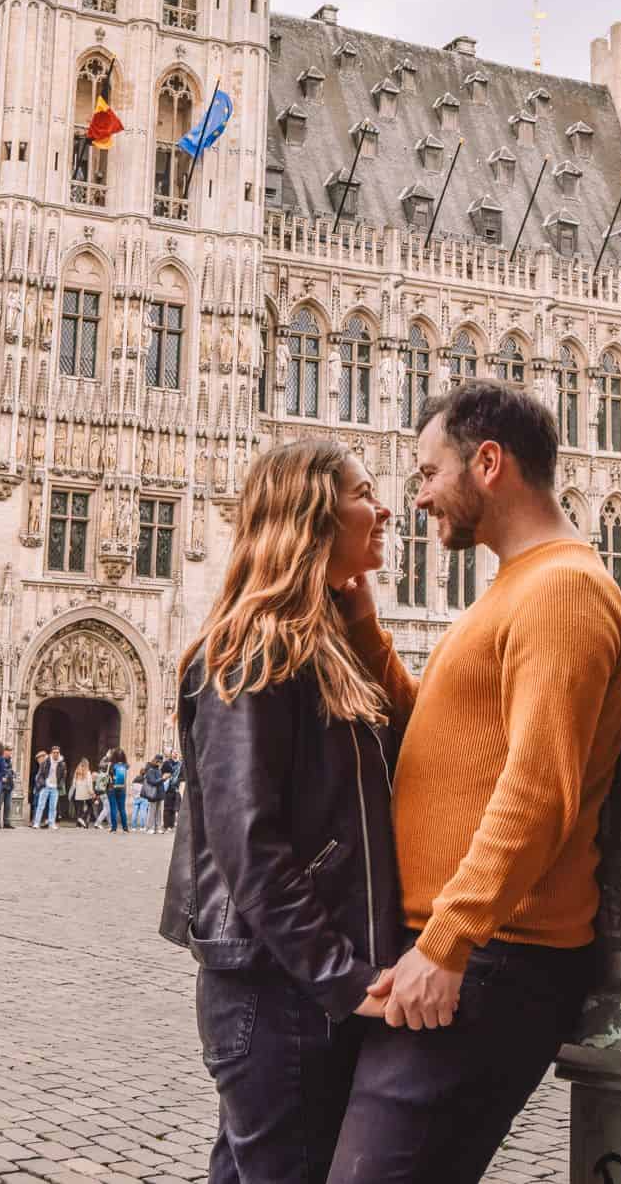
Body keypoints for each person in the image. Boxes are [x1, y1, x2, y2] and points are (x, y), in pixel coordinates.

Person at [325, 380, 621, 1184]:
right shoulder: (518, 584)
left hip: (493, 961)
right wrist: (362, 622)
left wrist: (448, 941)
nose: (418, 495)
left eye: (430, 472)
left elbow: (539, 787)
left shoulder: (561, 590)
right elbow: (445, 732)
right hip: (469, 954)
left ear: (488, 463)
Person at [160, 438, 401, 1184]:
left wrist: (359, 618)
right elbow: (249, 847)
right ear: (315, 516)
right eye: (365, 492)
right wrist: (342, 977)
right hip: (279, 993)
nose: (384, 506)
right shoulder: (251, 652)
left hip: (296, 986)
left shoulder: (318, 644)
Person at [33, 745, 66, 830]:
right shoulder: (46, 762)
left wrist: (59, 785)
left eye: (57, 753)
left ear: (59, 753)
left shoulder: (62, 763)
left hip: (55, 787)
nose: (56, 754)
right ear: (51, 753)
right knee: (41, 805)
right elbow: (40, 774)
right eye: (54, 752)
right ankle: (36, 823)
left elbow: (63, 776)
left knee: (53, 806)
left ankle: (52, 823)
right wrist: (43, 783)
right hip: (46, 786)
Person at [141, 755, 166, 834]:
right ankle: (150, 828)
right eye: (159, 762)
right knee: (152, 811)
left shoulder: (158, 769)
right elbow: (153, 782)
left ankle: (158, 827)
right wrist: (163, 778)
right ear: (156, 761)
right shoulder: (150, 770)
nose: (160, 763)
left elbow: (158, 781)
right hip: (153, 793)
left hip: (159, 793)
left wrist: (162, 779)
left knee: (158, 811)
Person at [107, 749, 130, 833]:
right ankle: (125, 828)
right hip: (122, 789)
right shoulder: (125, 766)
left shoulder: (112, 765)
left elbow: (107, 774)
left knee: (113, 808)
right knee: (122, 809)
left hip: (112, 788)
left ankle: (114, 828)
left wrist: (108, 757)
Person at [70, 757, 95, 828]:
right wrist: (92, 793)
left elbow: (73, 784)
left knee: (79, 809)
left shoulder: (77, 772)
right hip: (86, 793)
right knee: (90, 806)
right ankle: (82, 819)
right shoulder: (88, 772)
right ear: (87, 764)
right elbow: (89, 784)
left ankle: (78, 825)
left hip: (78, 793)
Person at [28, 750, 49, 824]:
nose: (38, 760)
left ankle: (41, 821)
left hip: (43, 788)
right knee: (35, 805)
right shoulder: (38, 767)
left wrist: (42, 785)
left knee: (42, 806)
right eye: (37, 759)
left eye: (39, 758)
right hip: (37, 789)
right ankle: (35, 821)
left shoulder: (47, 766)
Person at [93, 752, 113, 829]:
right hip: (104, 793)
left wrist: (106, 756)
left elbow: (101, 763)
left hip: (100, 793)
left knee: (107, 808)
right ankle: (97, 823)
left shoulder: (99, 774)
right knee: (107, 809)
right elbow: (107, 771)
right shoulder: (105, 774)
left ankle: (110, 824)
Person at [0, 746, 15, 828]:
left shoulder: (9, 761)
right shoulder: (0, 759)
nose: (10, 753)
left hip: (9, 785)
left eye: (11, 751)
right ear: (4, 751)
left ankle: (6, 822)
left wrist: (11, 773)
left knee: (8, 806)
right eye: (9, 751)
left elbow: (8, 771)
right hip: (1, 785)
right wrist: (7, 773)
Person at [130, 765, 149, 831]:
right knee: (143, 812)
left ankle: (133, 827)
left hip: (136, 797)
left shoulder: (135, 779)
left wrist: (134, 795)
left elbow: (131, 789)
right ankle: (142, 826)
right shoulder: (145, 780)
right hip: (144, 797)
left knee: (134, 812)